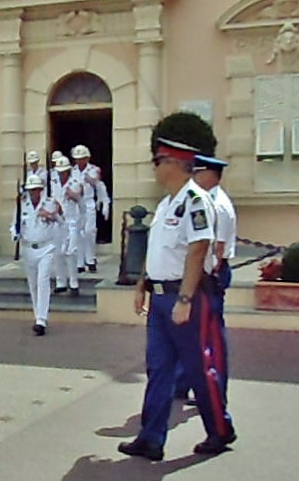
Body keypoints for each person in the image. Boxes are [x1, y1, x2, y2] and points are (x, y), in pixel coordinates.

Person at [117, 139, 235, 462]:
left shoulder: (195, 201)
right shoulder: (167, 204)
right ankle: (151, 438)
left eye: (157, 160)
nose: (154, 167)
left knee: (200, 369)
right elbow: (158, 251)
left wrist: (184, 298)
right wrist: (142, 282)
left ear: (172, 163)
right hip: (160, 300)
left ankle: (220, 430)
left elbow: (198, 249)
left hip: (188, 299)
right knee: (159, 369)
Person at [175, 155, 237, 410]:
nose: (193, 178)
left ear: (208, 175)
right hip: (202, 274)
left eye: (197, 172)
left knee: (211, 336)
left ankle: (216, 391)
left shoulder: (218, 205)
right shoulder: (205, 200)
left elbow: (218, 250)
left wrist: (202, 277)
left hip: (211, 274)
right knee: (190, 333)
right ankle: (183, 384)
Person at [11, 174, 63, 336]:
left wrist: (51, 215)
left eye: (35, 190)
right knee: (33, 284)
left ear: (40, 190)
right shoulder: (22, 205)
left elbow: (62, 221)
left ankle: (42, 319)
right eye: (30, 190)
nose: (33, 193)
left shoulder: (49, 203)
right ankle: (37, 316)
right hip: (28, 249)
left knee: (43, 281)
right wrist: (15, 234)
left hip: (46, 248)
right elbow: (14, 225)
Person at [70, 144, 110, 273]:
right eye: (77, 158)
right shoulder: (71, 171)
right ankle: (80, 262)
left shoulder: (94, 169)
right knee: (78, 234)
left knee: (90, 231)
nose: (80, 161)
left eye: (82, 158)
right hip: (76, 205)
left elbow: (100, 187)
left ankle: (91, 259)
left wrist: (105, 203)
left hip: (88, 203)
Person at [50, 154, 82, 296]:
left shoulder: (74, 182)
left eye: (64, 172)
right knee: (57, 253)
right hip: (58, 221)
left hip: (72, 221)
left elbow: (80, 201)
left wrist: (74, 195)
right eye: (60, 172)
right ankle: (61, 282)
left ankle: (74, 283)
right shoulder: (54, 183)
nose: (62, 174)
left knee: (71, 252)